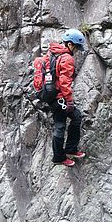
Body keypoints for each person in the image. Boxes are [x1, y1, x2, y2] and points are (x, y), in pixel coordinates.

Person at [33, 28, 88, 167]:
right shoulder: (67, 58)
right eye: (76, 47)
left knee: (73, 118)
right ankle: (60, 156)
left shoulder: (52, 52)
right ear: (70, 44)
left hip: (49, 94)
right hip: (59, 97)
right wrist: (69, 101)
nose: (76, 51)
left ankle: (70, 150)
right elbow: (65, 82)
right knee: (62, 125)